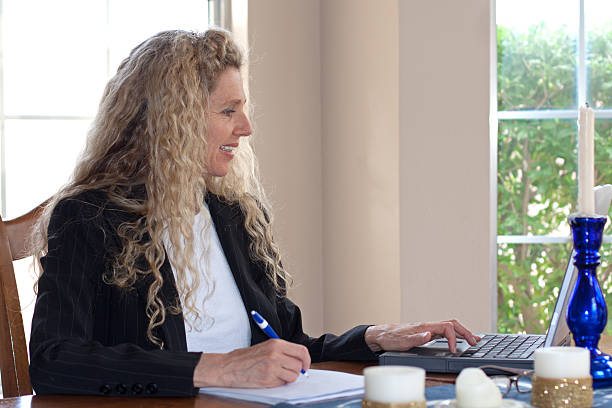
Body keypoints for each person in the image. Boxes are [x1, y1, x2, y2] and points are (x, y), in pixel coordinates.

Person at [28, 29, 479, 397]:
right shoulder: (88, 216)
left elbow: (286, 342)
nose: (246, 127)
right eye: (228, 110)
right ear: (172, 123)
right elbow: (54, 360)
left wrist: (376, 338)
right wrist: (217, 369)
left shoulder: (231, 214)